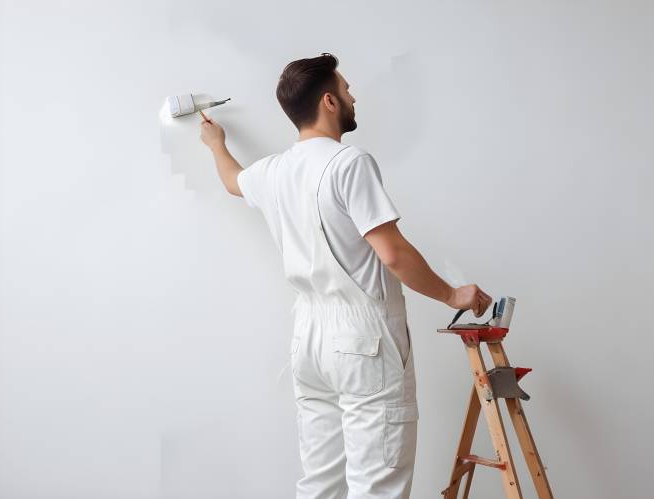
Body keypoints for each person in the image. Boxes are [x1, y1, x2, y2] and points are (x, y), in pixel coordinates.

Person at [200, 52, 492, 499]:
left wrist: (216, 144)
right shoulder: (347, 163)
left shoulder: (274, 172)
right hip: (363, 343)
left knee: (320, 485)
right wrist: (453, 294)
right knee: (376, 486)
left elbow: (232, 181)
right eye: (346, 88)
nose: (353, 95)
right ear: (329, 101)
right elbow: (392, 253)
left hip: (309, 339)